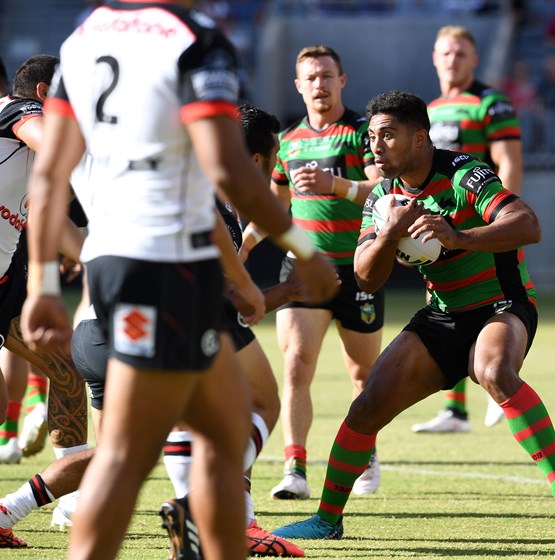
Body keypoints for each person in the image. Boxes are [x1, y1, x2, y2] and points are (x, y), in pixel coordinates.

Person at [21, 3, 337, 560]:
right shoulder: (195, 37)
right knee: (126, 454)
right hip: (166, 269)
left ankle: (210, 531)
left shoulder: (86, 35)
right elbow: (226, 166)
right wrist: (303, 246)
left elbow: (50, 174)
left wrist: (45, 283)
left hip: (116, 264)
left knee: (232, 423)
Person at [271, 90, 555, 541]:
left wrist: (460, 236)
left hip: (500, 305)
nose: (376, 146)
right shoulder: (381, 197)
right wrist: (390, 234)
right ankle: (327, 520)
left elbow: (528, 224)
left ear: (421, 138)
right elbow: (366, 278)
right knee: (366, 406)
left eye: (389, 135)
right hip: (443, 316)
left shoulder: (466, 174)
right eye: (371, 137)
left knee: (493, 370)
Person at [240, 44, 384, 501]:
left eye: (327, 75)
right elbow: (276, 206)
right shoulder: (289, 142)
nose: (319, 84)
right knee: (297, 365)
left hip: (359, 268)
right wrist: (243, 244)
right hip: (303, 268)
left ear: (342, 81)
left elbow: (385, 194)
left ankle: (365, 452)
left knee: (364, 375)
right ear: (298, 86)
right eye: (311, 77)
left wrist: (336, 185)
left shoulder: (363, 132)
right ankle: (295, 469)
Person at [413, 24, 524, 433]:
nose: (452, 60)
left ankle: (500, 379)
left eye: (461, 53)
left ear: (474, 60)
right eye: (446, 53)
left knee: (498, 300)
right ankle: (456, 410)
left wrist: (504, 219)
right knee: (443, 301)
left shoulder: (491, 102)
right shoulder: (432, 108)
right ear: (434, 58)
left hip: (483, 221)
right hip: (439, 224)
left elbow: (508, 160)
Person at [0, 55, 90, 494]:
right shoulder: (15, 110)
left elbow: (48, 219)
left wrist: (99, 255)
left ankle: (72, 498)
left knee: (70, 370)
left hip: (5, 285)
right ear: (43, 93)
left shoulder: (36, 163)